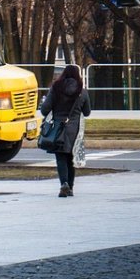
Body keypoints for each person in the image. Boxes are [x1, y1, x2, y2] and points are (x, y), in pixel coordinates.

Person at [39, 64, 92, 198]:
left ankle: (64, 184)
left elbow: (45, 110)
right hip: (74, 130)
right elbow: (87, 112)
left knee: (60, 158)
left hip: (58, 128)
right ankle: (71, 188)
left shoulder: (55, 89)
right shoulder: (82, 91)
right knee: (70, 159)